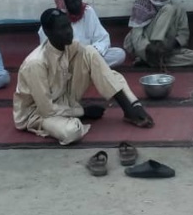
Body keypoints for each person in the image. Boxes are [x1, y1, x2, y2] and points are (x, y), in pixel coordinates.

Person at [14, 8, 154, 146]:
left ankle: (130, 109)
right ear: (47, 32)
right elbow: (47, 109)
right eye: (62, 28)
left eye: (68, 25)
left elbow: (105, 73)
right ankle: (74, 115)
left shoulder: (70, 47)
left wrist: (134, 105)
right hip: (38, 113)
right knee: (71, 132)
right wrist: (83, 112)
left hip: (63, 98)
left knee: (92, 53)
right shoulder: (36, 63)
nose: (69, 31)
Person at [37, 0, 126, 67]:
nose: (78, 4)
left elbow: (103, 38)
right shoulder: (54, 20)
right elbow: (47, 51)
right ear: (64, 5)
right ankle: (88, 70)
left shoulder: (88, 11)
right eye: (72, 2)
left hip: (89, 56)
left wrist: (93, 52)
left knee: (119, 54)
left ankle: (84, 70)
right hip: (67, 60)